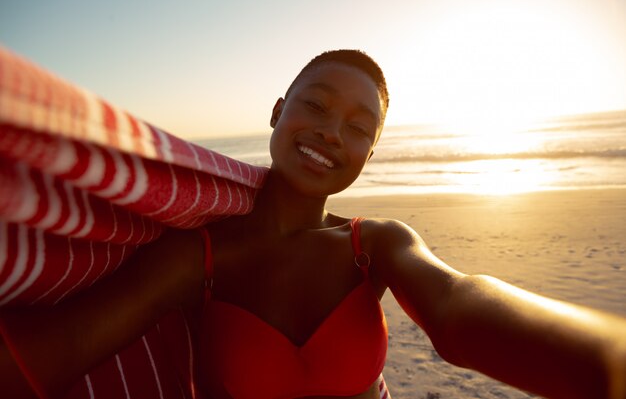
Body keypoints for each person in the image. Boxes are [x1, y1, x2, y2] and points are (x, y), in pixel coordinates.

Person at [1, 50, 625, 399]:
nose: (333, 130)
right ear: (278, 112)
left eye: (359, 127)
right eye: (317, 105)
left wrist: (609, 359)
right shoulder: (204, 258)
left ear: (370, 154)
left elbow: (457, 309)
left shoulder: (374, 245)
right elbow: (57, 353)